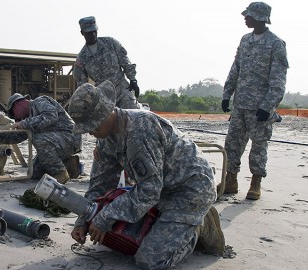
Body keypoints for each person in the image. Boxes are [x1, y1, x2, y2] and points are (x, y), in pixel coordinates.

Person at [68, 81, 225, 269]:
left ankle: (200, 225)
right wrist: (83, 222)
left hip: (190, 191)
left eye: (93, 126)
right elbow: (99, 185)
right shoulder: (105, 138)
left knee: (149, 260)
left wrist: (104, 218)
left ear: (107, 111)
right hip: (160, 192)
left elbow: (149, 191)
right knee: (123, 238)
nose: (91, 133)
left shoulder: (140, 129)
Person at [221, 2, 288, 200]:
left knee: (258, 146)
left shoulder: (276, 44)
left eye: (248, 15)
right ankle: (231, 180)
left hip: (260, 107)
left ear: (259, 17)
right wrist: (227, 94)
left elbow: (278, 79)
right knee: (232, 144)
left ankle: (255, 183)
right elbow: (236, 68)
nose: (245, 18)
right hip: (240, 104)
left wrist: (268, 106)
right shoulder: (245, 40)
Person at [8, 93, 82, 184]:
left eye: (13, 114)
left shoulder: (39, 102)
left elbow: (51, 116)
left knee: (39, 140)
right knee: (34, 173)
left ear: (17, 105)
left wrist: (24, 123)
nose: (16, 118)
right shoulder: (28, 118)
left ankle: (60, 173)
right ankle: (69, 164)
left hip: (69, 137)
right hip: (57, 142)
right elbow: (18, 136)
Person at [73, 16, 140, 110]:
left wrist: (133, 80)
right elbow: (82, 84)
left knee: (134, 116)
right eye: (89, 33)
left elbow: (125, 62)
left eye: (94, 31)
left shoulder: (111, 43)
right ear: (82, 33)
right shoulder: (82, 58)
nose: (92, 34)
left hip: (123, 91)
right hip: (104, 100)